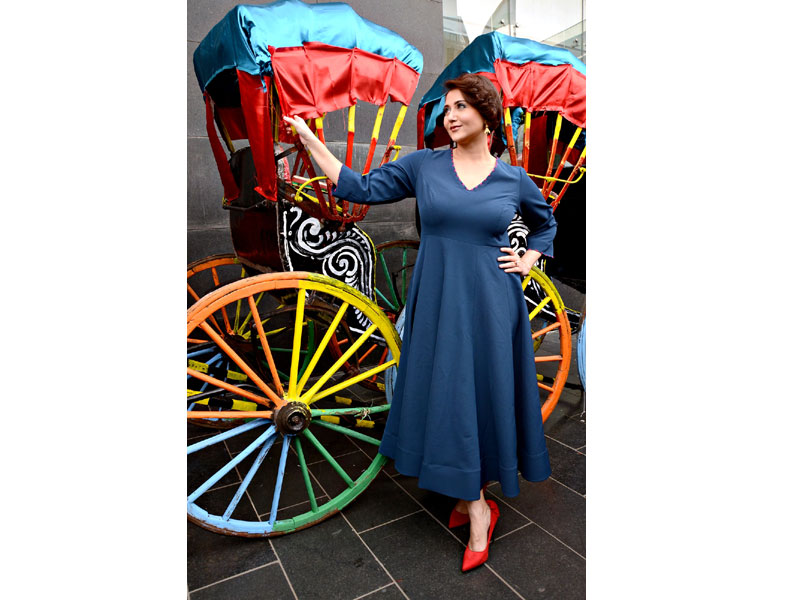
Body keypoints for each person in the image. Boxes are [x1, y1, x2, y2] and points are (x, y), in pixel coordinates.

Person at [283, 73, 556, 572]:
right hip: (438, 301)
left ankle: (475, 503)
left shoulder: (513, 179)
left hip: (493, 303)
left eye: (461, 106)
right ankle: (475, 503)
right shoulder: (423, 166)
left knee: (481, 395)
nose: (450, 116)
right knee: (449, 394)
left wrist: (529, 259)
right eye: (446, 108)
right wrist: (307, 137)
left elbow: (545, 223)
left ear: (487, 117)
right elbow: (359, 186)